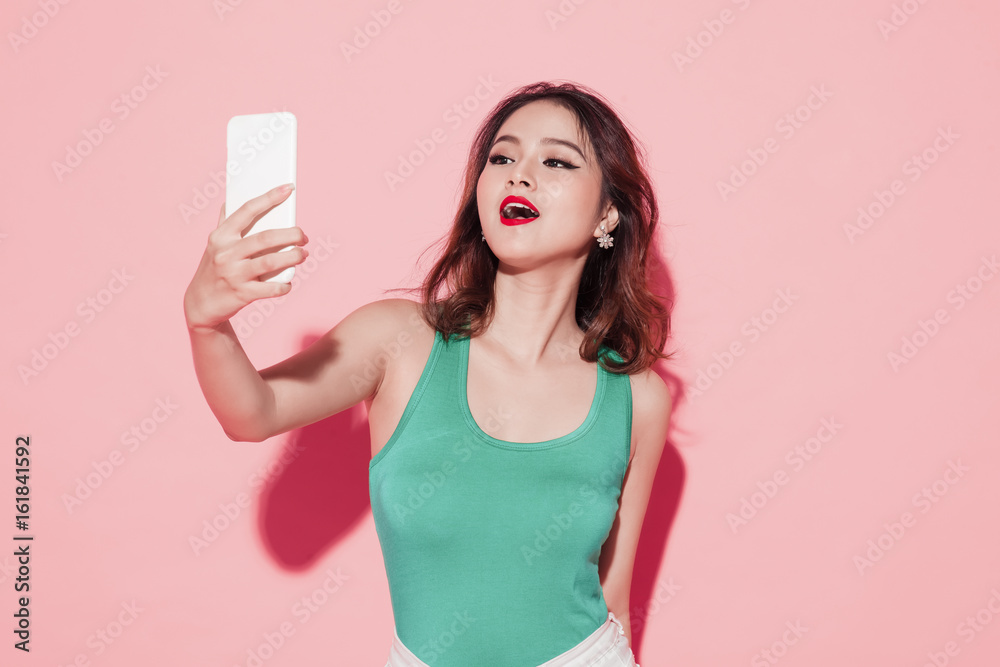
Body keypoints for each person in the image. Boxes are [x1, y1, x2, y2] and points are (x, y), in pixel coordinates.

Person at [184, 80, 673, 666]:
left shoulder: (636, 398)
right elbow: (252, 413)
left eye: (556, 161)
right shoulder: (400, 340)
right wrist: (206, 323)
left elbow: (613, 599)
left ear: (608, 213)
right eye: (502, 157)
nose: (519, 175)